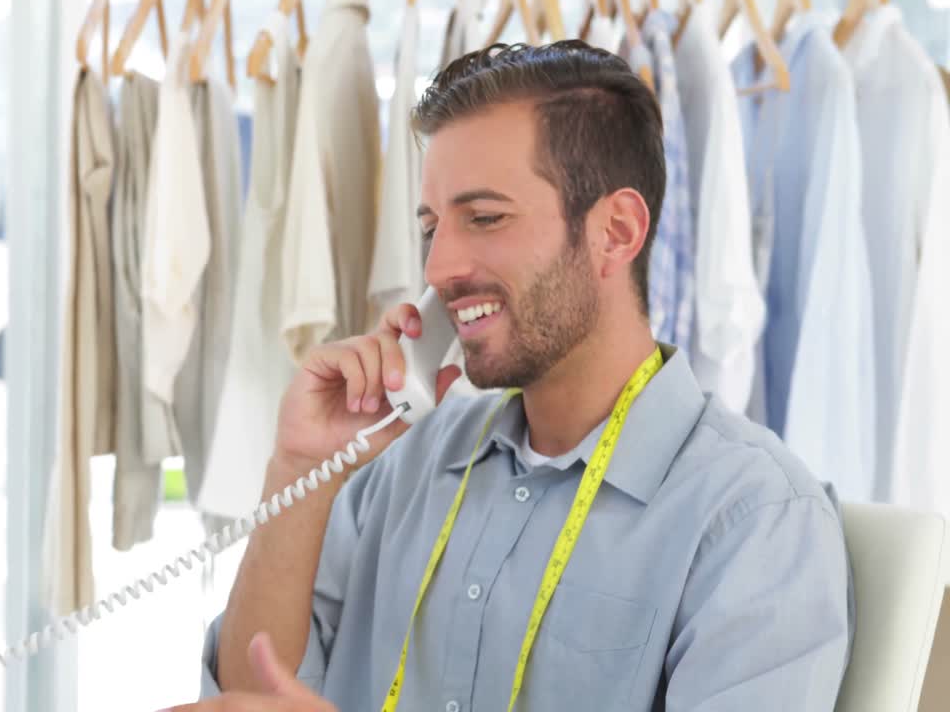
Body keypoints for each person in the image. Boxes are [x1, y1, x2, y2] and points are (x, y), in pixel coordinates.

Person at [169, 41, 853, 712]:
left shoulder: (755, 521)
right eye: (433, 226)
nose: (438, 268)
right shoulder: (403, 463)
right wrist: (299, 469)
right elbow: (249, 694)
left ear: (615, 231)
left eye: (486, 218)